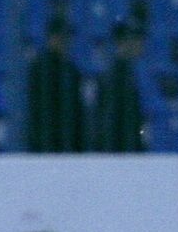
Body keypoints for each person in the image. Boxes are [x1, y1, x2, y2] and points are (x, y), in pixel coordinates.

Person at [25, 15, 85, 153]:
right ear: (50, 38)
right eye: (59, 37)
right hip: (45, 141)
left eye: (67, 37)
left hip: (68, 140)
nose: (64, 41)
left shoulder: (71, 69)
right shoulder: (40, 68)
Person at [91, 17, 147, 153]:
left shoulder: (126, 71)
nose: (141, 43)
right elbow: (110, 122)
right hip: (119, 153)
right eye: (136, 39)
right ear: (122, 42)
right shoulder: (116, 75)